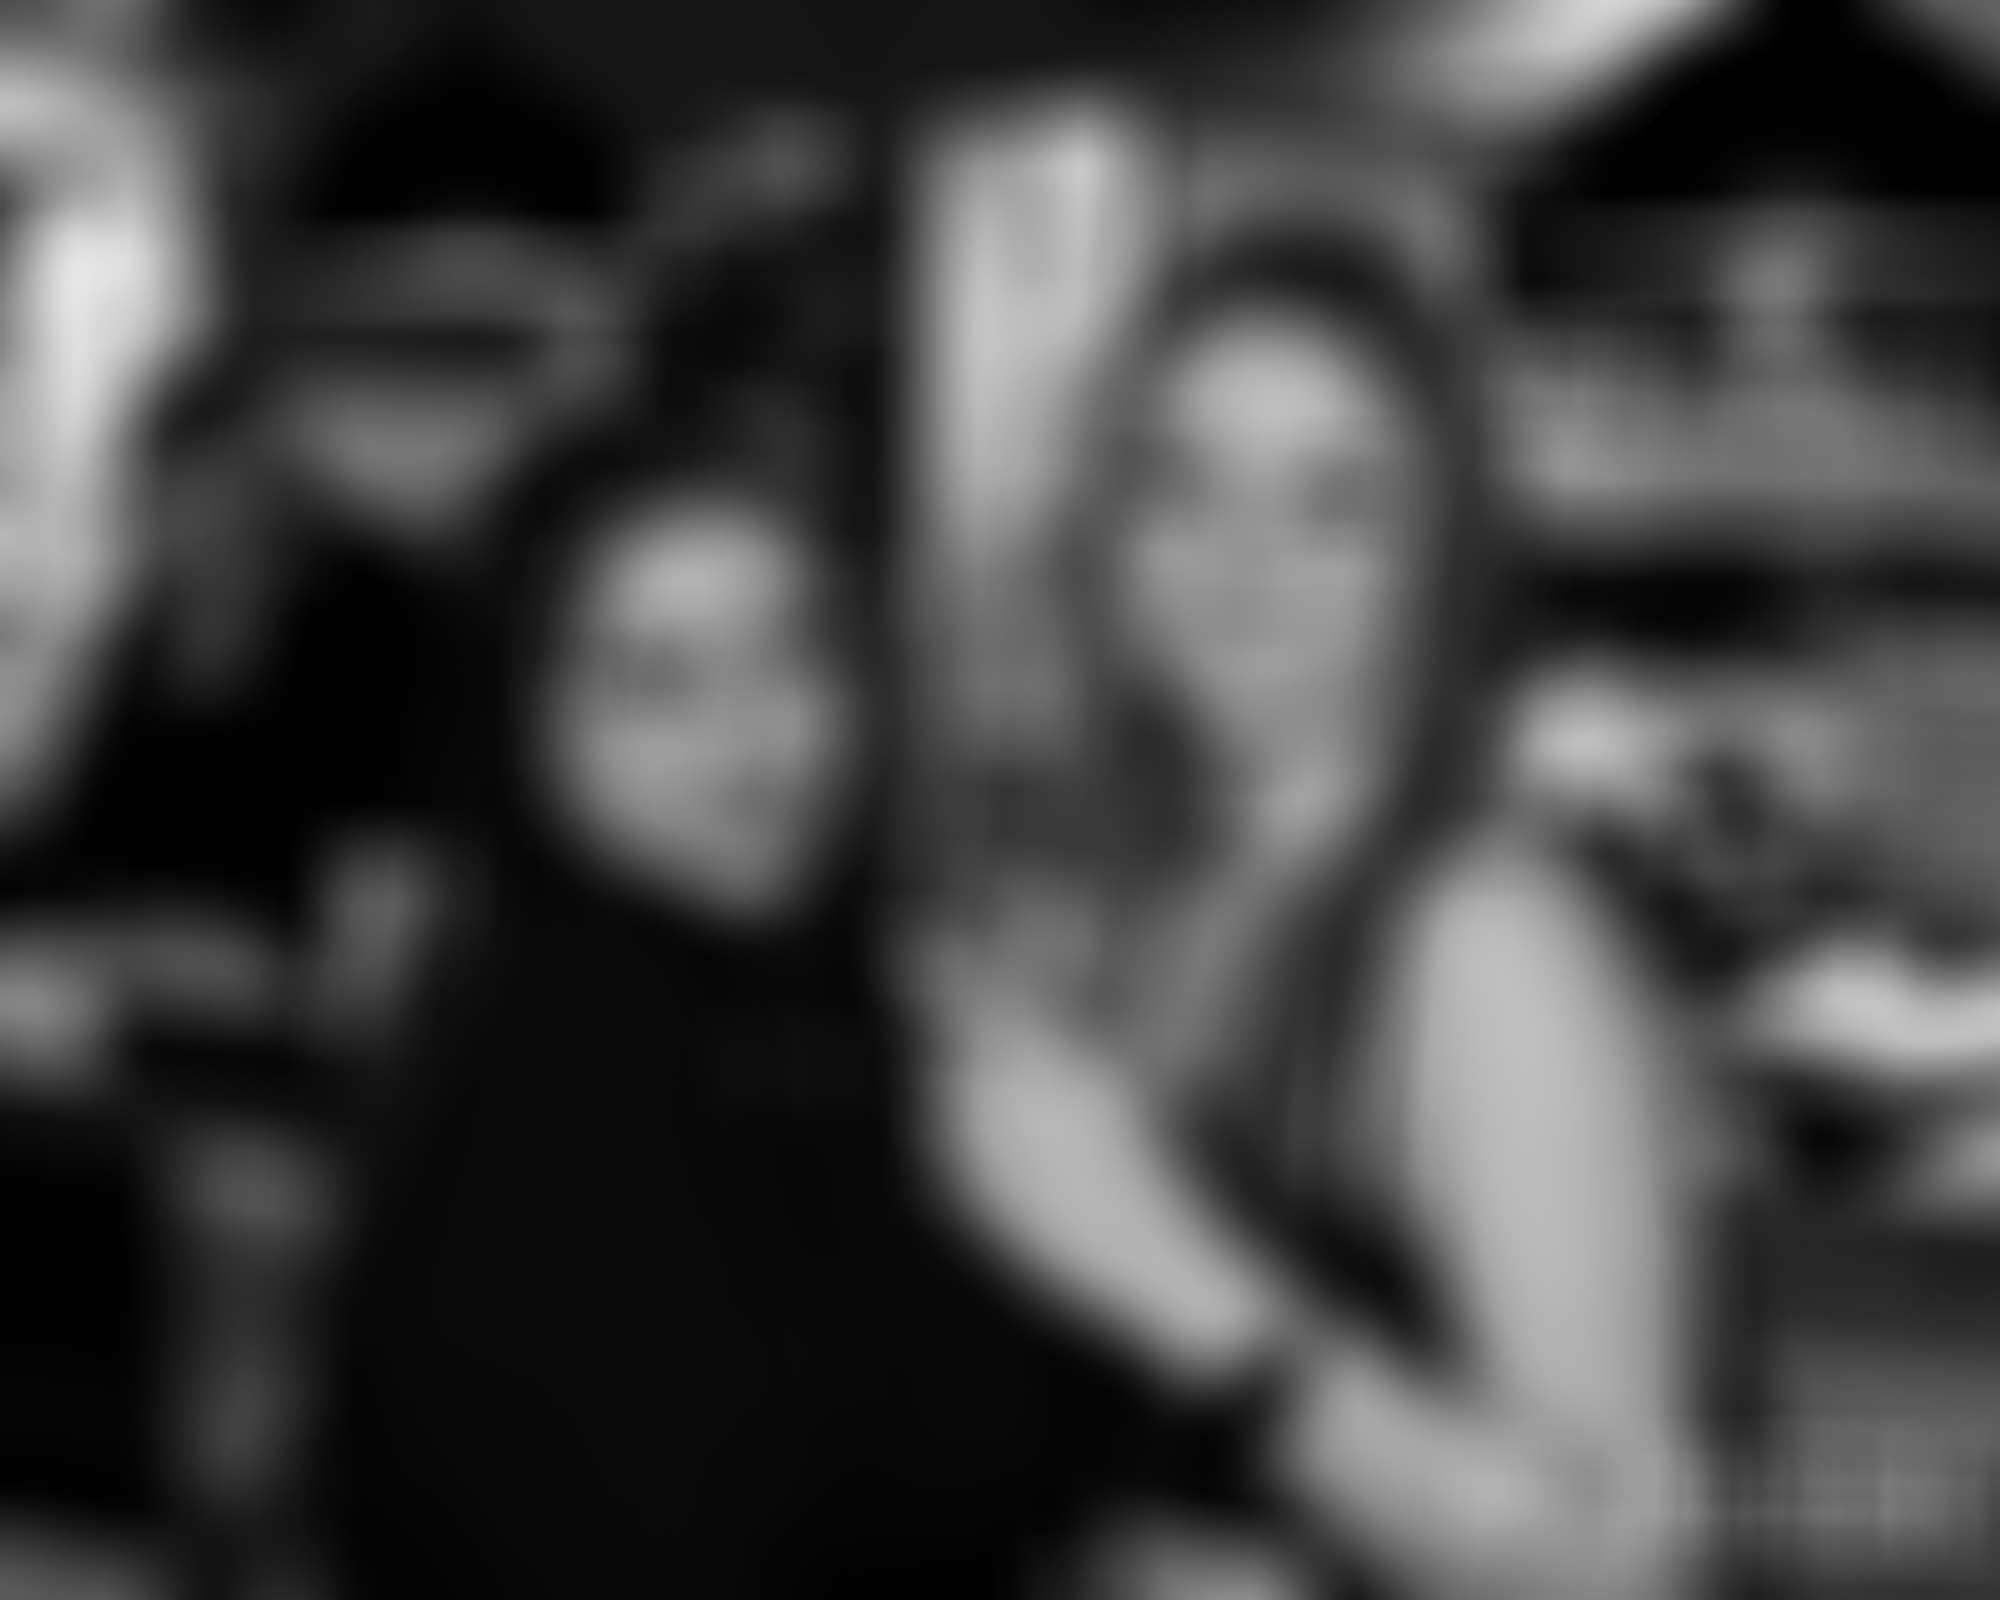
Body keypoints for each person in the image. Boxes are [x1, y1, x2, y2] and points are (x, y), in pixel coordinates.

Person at [913, 231, 1711, 1599]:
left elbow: (1613, 1563)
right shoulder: (1150, 898)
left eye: (1333, 502)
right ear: (1107, 529)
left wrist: (1158, 1263)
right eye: (1180, 482)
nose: (1243, 558)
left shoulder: (1486, 944)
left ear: (1441, 562)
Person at [317, 412, 1160, 1599]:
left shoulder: (829, 1012)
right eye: (657, 681)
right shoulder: (557, 1095)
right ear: (521, 721)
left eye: (794, 648)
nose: (754, 730)